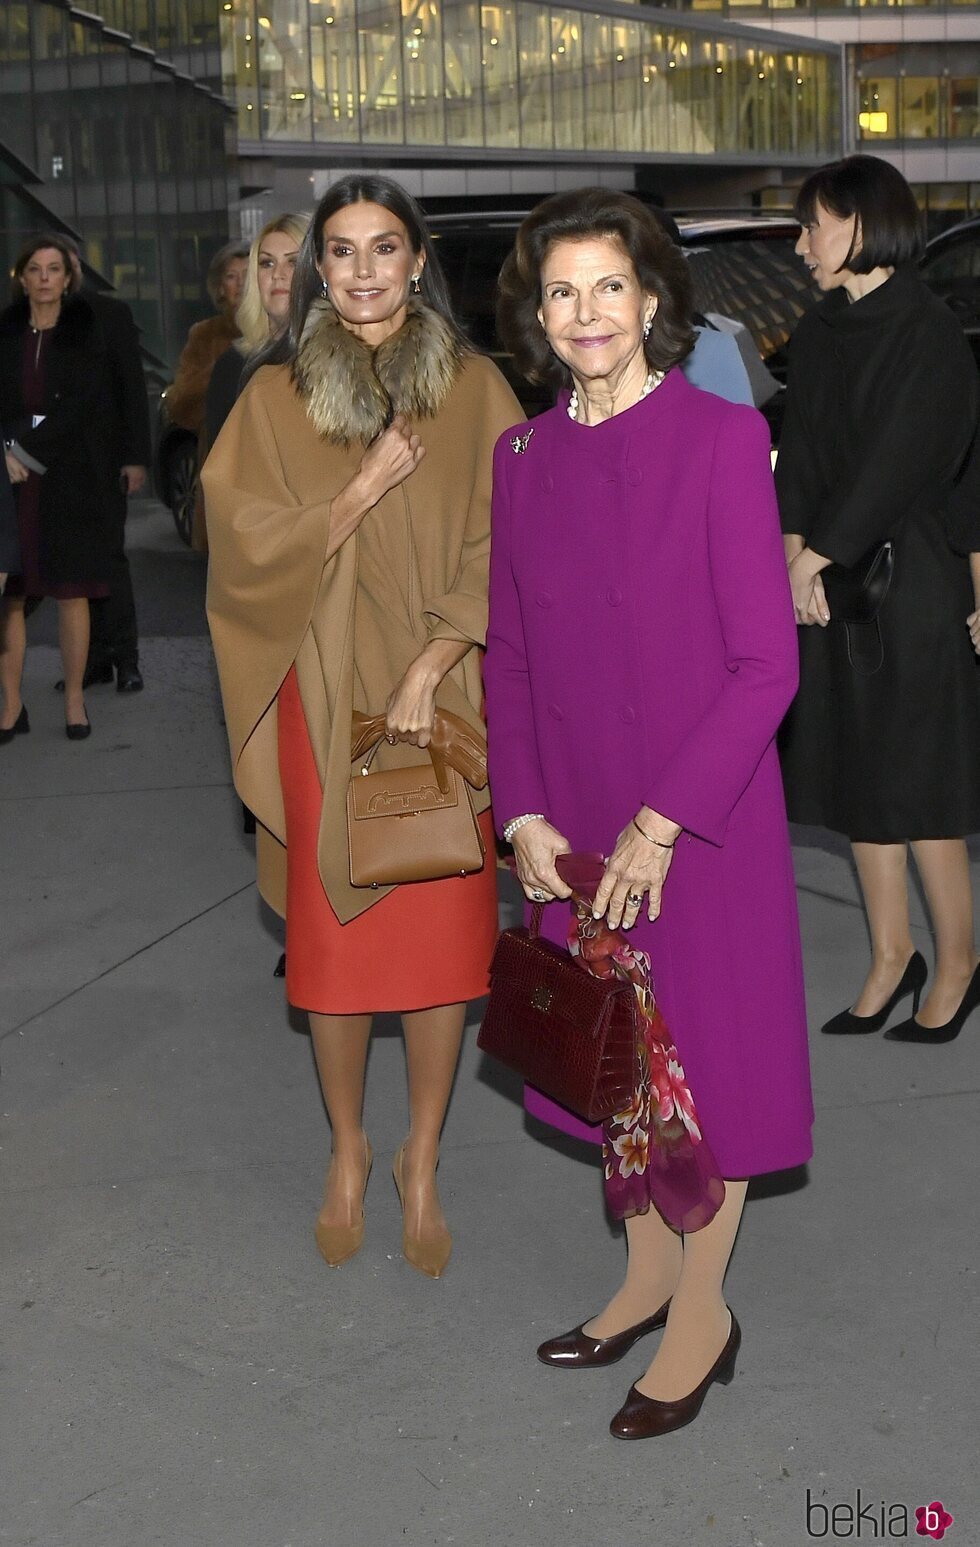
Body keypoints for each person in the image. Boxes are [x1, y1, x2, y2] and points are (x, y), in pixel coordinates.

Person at [484, 188, 813, 1439]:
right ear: (535, 313)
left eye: (606, 286)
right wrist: (519, 813)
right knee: (612, 1054)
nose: (584, 312)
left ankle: (702, 1311)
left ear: (653, 301)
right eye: (560, 291)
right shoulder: (519, 456)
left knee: (708, 1069)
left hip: (697, 817)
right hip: (567, 819)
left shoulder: (720, 439)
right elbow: (505, 652)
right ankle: (640, 1274)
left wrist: (658, 823)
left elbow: (763, 666)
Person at [203, 175, 521, 1278]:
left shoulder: (477, 389)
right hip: (320, 695)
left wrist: (438, 657)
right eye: (340, 252)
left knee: (440, 954)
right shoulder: (274, 395)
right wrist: (354, 494)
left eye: (385, 248)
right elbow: (238, 543)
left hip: (445, 702)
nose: (364, 270)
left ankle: (419, 1156)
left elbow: (513, 541)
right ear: (312, 273)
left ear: (418, 259)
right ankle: (348, 1147)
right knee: (334, 950)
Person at [776, 154, 980, 1045]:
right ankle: (892, 954)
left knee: (920, 782)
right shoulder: (822, 330)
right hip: (833, 580)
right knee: (861, 774)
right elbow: (804, 457)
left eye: (814, 223)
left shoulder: (929, 332)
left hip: (917, 583)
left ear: (861, 224)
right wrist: (794, 553)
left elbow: (903, 464)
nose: (800, 243)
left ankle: (962, 958)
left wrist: (810, 560)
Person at [0, 235, 115, 743]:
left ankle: (74, 700)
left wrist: (27, 451)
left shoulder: (84, 329)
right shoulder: (4, 331)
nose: (44, 277)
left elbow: (84, 402)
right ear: (21, 278)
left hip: (68, 474)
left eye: (54, 269)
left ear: (67, 279)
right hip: (7, 475)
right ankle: (10, 705)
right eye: (35, 269)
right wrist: (6, 449)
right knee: (11, 595)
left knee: (71, 591)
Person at [59, 241, 152, 694]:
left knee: (109, 558)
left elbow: (132, 388)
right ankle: (90, 661)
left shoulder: (109, 314)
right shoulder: (27, 322)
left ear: (76, 267)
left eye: (63, 264)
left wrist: (136, 458)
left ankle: (126, 660)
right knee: (70, 566)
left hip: (103, 461)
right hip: (50, 466)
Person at [167, 240, 249, 551]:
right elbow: (181, 403)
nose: (241, 282)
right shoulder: (206, 335)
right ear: (219, 287)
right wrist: (223, 368)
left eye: (247, 273)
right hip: (222, 459)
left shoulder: (284, 329)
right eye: (231, 275)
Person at [204, 214, 309, 450]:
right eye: (267, 263)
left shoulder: (346, 360)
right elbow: (221, 473)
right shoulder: (234, 365)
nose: (277, 274)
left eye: (293, 262)